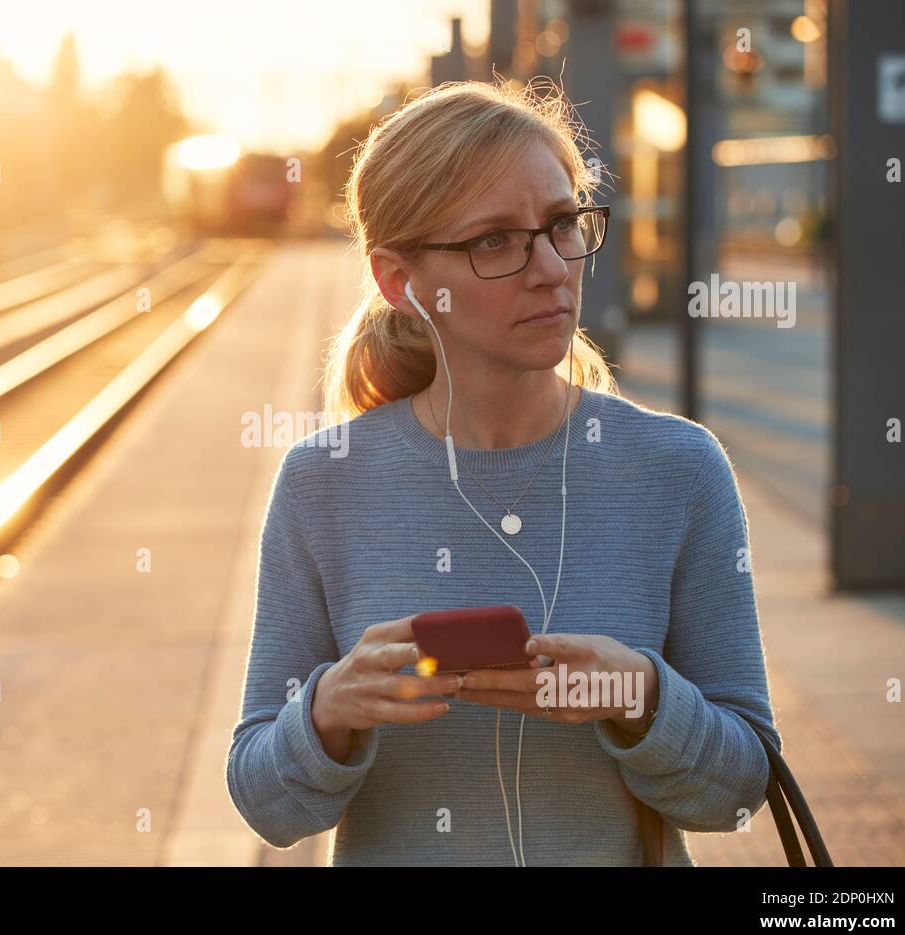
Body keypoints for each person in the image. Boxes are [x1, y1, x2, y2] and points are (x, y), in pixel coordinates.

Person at [225, 77, 778, 865]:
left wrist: (641, 697)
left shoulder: (679, 471)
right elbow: (267, 807)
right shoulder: (324, 484)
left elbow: (743, 791)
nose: (551, 266)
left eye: (561, 224)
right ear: (399, 282)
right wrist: (327, 711)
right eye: (494, 241)